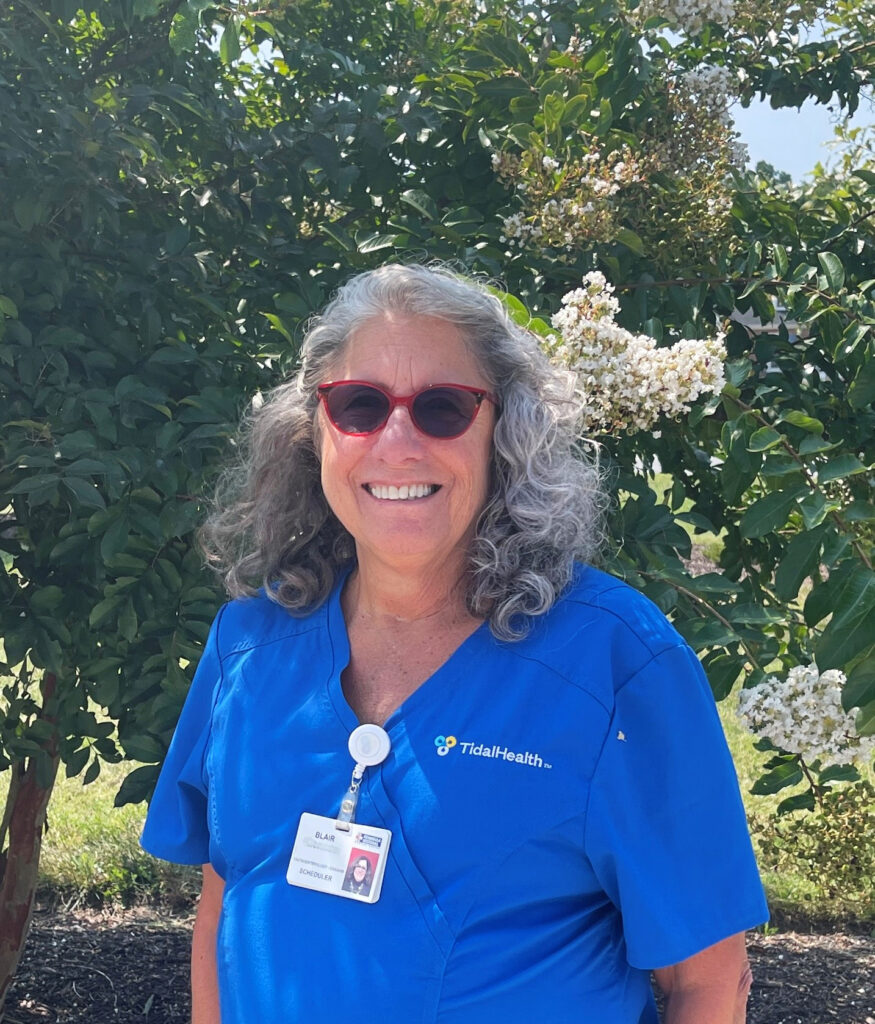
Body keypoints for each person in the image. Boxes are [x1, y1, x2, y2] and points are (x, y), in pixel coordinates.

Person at [141, 263, 768, 1023]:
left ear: (505, 433)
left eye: (443, 408)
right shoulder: (249, 646)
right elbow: (225, 898)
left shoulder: (615, 664)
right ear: (314, 434)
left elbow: (705, 982)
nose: (397, 442)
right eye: (359, 405)